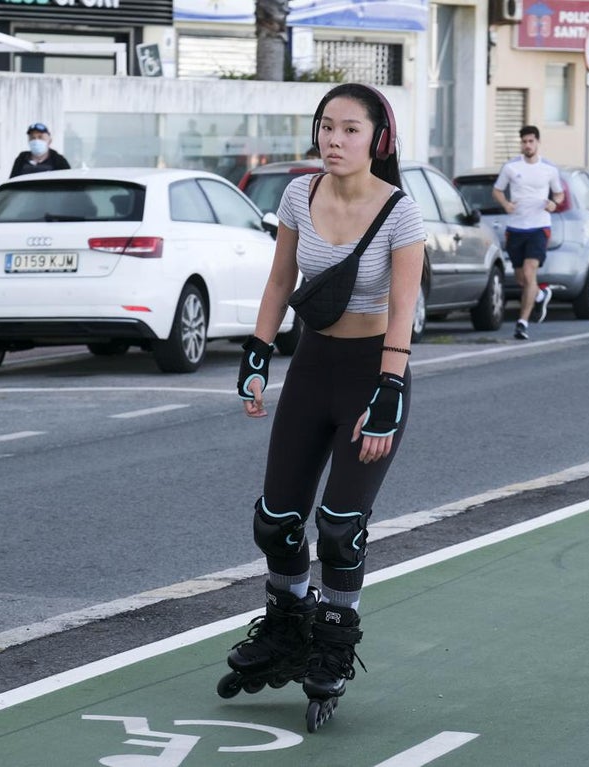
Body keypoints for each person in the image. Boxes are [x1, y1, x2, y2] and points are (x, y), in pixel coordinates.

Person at [220, 83, 425, 732]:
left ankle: (333, 639)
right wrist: (257, 353)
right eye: (325, 127)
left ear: (378, 141)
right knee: (276, 520)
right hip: (313, 367)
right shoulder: (298, 195)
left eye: (349, 130)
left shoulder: (400, 213)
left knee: (339, 525)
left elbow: (403, 310)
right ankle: (288, 625)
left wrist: (389, 391)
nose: (333, 140)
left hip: (372, 373)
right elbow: (281, 280)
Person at [491, 125, 564, 340]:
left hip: (539, 226)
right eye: (524, 142)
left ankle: (522, 322)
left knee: (531, 273)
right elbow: (496, 190)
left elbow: (559, 194)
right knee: (522, 279)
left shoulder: (549, 168)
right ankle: (541, 294)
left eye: (531, 141)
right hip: (516, 227)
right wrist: (505, 204)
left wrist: (553, 203)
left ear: (537, 143)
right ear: (521, 143)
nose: (527, 145)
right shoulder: (511, 167)